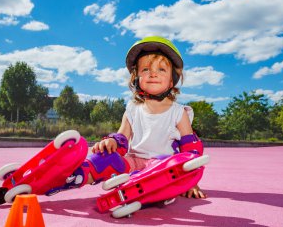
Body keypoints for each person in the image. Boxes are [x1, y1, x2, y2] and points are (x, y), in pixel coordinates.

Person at [54, 36, 206, 199]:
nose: (153, 73)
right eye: (146, 69)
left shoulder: (178, 112)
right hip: (134, 163)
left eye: (161, 69)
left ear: (171, 82)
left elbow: (191, 149)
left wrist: (192, 181)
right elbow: (121, 139)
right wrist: (111, 142)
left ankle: (139, 185)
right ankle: (70, 177)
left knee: (166, 165)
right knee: (106, 158)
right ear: (137, 79)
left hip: (164, 167)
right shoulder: (133, 110)